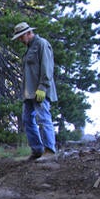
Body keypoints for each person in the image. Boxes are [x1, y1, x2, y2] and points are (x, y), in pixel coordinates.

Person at [11, 22, 58, 160]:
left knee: (43, 118)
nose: (20, 40)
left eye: (21, 36)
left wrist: (42, 87)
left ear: (28, 33)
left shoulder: (42, 44)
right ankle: (37, 150)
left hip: (39, 91)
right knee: (27, 120)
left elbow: (47, 67)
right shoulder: (29, 48)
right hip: (29, 93)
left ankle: (49, 151)